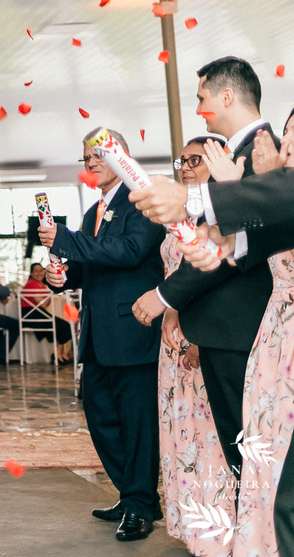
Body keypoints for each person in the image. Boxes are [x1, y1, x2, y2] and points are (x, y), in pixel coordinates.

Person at [130, 57, 276, 489]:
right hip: (224, 329)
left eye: (202, 98)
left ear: (227, 96)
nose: (198, 110)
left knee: (252, 449)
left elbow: (230, 249)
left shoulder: (260, 155)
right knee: (240, 451)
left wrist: (165, 296)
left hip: (241, 328)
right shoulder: (234, 157)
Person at [41, 127, 167, 542]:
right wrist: (62, 277)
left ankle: (140, 504)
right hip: (97, 334)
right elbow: (89, 266)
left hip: (133, 329)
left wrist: (67, 239)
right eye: (87, 157)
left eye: (99, 155)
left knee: (137, 423)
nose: (92, 162)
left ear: (122, 156)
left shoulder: (142, 198)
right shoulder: (94, 211)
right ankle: (133, 494)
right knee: (100, 416)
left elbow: (130, 252)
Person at [155, 135, 235, 550]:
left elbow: (222, 278)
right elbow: (175, 276)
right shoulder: (182, 212)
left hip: (206, 335)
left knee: (210, 435)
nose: (185, 167)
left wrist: (201, 337)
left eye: (195, 160)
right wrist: (170, 311)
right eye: (182, 161)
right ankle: (193, 526)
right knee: (180, 432)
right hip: (174, 340)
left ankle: (220, 531)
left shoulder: (224, 213)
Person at [21, 263, 72, 363]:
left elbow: (44, 302)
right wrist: (49, 294)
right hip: (31, 315)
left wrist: (48, 296)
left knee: (63, 325)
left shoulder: (42, 285)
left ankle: (60, 354)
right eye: (36, 271)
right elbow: (43, 304)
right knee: (62, 326)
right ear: (31, 273)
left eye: (41, 271)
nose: (39, 273)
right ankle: (58, 355)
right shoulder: (31, 284)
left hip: (38, 313)